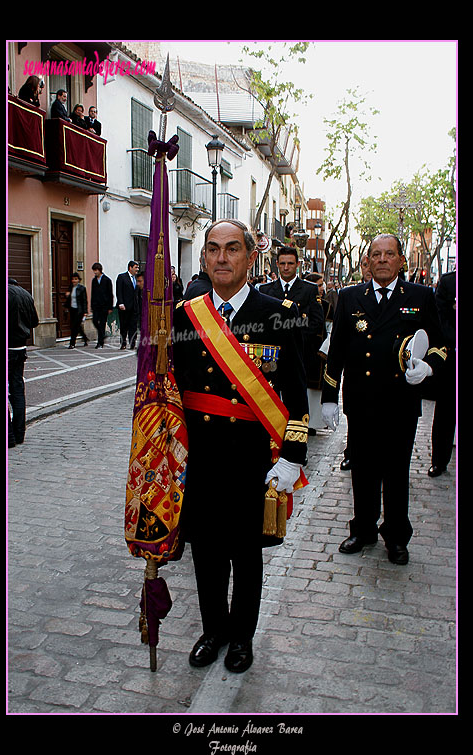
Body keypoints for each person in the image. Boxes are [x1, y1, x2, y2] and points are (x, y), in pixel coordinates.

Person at [173, 219, 309, 674]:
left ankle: (242, 638)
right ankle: (213, 630)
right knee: (207, 554)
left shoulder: (276, 313)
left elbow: (295, 392)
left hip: (253, 462)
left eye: (233, 249)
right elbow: (171, 389)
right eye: (213, 250)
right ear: (204, 257)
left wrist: (293, 457)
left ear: (251, 257)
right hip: (202, 461)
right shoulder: (185, 315)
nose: (222, 258)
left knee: (246, 555)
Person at [321, 233, 448, 565]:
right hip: (361, 401)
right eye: (375, 254)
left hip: (400, 402)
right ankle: (362, 529)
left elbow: (441, 344)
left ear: (400, 261)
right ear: (367, 261)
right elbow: (336, 351)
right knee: (362, 470)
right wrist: (329, 397)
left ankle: (395, 536)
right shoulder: (349, 297)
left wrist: (428, 369)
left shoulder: (420, 296)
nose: (381, 259)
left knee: (396, 473)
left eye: (388, 254)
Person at [260, 247, 325, 433]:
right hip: (271, 357)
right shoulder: (266, 289)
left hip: (299, 355)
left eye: (290, 263)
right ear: (277, 264)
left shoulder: (309, 289)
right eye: (282, 263)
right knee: (271, 397)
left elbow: (316, 322)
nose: (286, 267)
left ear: (297, 265)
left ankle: (296, 440)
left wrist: (296, 339)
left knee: (296, 399)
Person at [428, 270, 456, 477]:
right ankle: (439, 460)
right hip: (452, 357)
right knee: (446, 412)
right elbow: (440, 319)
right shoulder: (449, 282)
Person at [8, 278, 39, 448]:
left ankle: (9, 436)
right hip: (20, 347)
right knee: (17, 390)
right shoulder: (26, 294)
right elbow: (34, 321)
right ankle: (19, 433)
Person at [116, 261, 139, 349]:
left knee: (133, 326)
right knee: (124, 326)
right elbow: (119, 291)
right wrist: (120, 303)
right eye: (136, 267)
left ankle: (132, 343)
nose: (137, 269)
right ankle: (123, 343)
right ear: (130, 267)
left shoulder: (136, 278)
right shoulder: (122, 277)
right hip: (124, 307)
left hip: (134, 307)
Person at [90, 262, 113, 348]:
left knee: (102, 323)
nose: (95, 272)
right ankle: (102, 335)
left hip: (104, 306)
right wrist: (92, 305)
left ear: (100, 270)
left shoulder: (107, 280)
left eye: (96, 270)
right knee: (95, 321)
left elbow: (110, 294)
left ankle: (100, 343)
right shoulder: (94, 280)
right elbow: (93, 293)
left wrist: (110, 307)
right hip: (96, 305)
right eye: (94, 271)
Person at [65, 273, 88, 348]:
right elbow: (68, 299)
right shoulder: (70, 288)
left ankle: (72, 343)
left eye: (76, 279)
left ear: (78, 280)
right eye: (73, 279)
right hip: (72, 309)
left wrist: (85, 312)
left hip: (79, 310)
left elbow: (84, 300)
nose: (74, 281)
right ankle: (85, 338)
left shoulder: (82, 288)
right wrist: (67, 296)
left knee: (74, 327)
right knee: (77, 326)